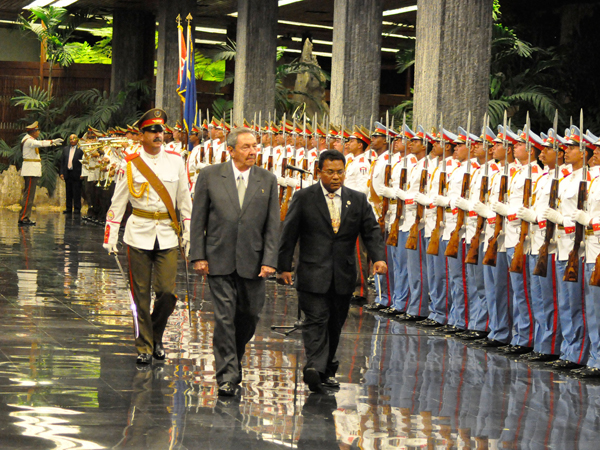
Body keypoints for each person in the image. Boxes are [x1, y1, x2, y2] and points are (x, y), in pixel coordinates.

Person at [277, 149, 387, 393]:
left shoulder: (357, 199)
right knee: (316, 320)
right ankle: (314, 368)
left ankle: (327, 369)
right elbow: (289, 234)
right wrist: (283, 267)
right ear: (319, 172)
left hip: (343, 275)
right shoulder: (304, 197)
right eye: (330, 172)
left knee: (335, 324)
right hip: (311, 272)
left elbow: (371, 231)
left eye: (340, 172)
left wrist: (378, 259)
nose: (336, 177)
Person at [189, 127, 280, 397]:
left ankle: (234, 357)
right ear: (230, 150)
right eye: (246, 147)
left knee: (249, 316)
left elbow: (273, 225)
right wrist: (198, 254)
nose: (253, 151)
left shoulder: (268, 179)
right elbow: (198, 219)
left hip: (253, 261)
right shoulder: (210, 176)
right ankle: (227, 374)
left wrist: (270, 260)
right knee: (224, 318)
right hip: (218, 258)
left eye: (255, 146)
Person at [102, 108, 192, 365]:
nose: (157, 135)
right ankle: (144, 346)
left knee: (166, 292)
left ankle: (156, 334)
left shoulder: (176, 161)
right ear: (141, 135)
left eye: (160, 130)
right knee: (140, 294)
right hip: (138, 233)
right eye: (152, 131)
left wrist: (189, 232)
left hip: (167, 234)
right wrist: (111, 234)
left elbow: (185, 200)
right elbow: (117, 202)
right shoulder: (130, 163)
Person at [18, 121, 63, 225]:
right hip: (30, 171)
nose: (38, 132)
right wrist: (52, 142)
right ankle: (23, 217)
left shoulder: (29, 139)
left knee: (30, 195)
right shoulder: (28, 140)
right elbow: (39, 143)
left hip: (32, 170)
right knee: (28, 195)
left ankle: (25, 216)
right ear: (33, 132)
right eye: (37, 131)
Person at [60, 134, 84, 215]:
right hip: (68, 172)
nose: (72, 140)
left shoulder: (80, 150)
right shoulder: (65, 149)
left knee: (77, 191)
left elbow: (83, 162)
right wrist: (62, 172)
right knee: (68, 191)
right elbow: (62, 161)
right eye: (70, 139)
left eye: (74, 139)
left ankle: (77, 208)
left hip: (77, 173)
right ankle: (68, 208)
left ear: (77, 140)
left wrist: (82, 173)